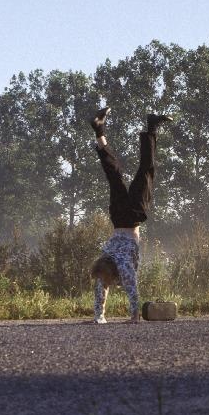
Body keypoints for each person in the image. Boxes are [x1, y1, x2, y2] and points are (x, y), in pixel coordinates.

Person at [90, 107, 172, 324]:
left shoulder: (121, 267)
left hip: (133, 215)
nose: (105, 284)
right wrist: (99, 317)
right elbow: (103, 290)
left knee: (147, 171)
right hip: (118, 217)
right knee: (114, 174)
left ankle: (151, 126)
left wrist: (133, 316)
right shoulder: (105, 257)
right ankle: (100, 131)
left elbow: (131, 289)